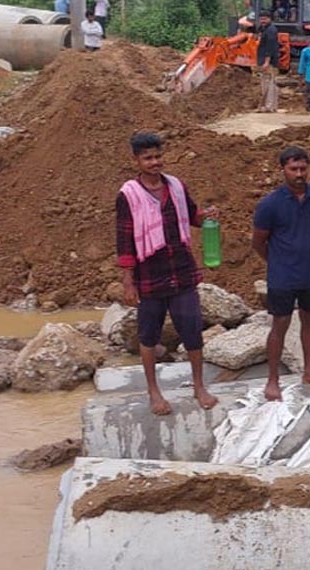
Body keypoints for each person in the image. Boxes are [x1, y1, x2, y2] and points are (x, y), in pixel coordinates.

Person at [115, 132, 219, 416]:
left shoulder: (175, 186)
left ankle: (199, 386)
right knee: (149, 336)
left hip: (182, 272)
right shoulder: (129, 195)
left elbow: (193, 216)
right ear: (136, 160)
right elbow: (124, 240)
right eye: (147, 158)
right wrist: (128, 280)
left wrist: (206, 217)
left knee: (193, 331)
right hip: (150, 275)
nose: (154, 162)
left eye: (157, 156)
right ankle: (153, 392)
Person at [252, 146, 310, 401]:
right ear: (283, 170)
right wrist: (277, 261)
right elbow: (258, 242)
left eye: (303, 168)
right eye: (293, 169)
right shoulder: (269, 204)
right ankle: (272, 379)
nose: (299, 174)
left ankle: (309, 371)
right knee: (280, 324)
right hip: (282, 276)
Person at [256, 11, 280, 113]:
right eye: (261, 19)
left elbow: (270, 47)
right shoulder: (265, 29)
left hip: (269, 61)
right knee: (271, 83)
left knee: (267, 83)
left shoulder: (271, 31)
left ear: (270, 19)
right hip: (268, 60)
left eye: (265, 19)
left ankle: (268, 106)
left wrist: (266, 61)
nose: (262, 21)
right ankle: (273, 106)